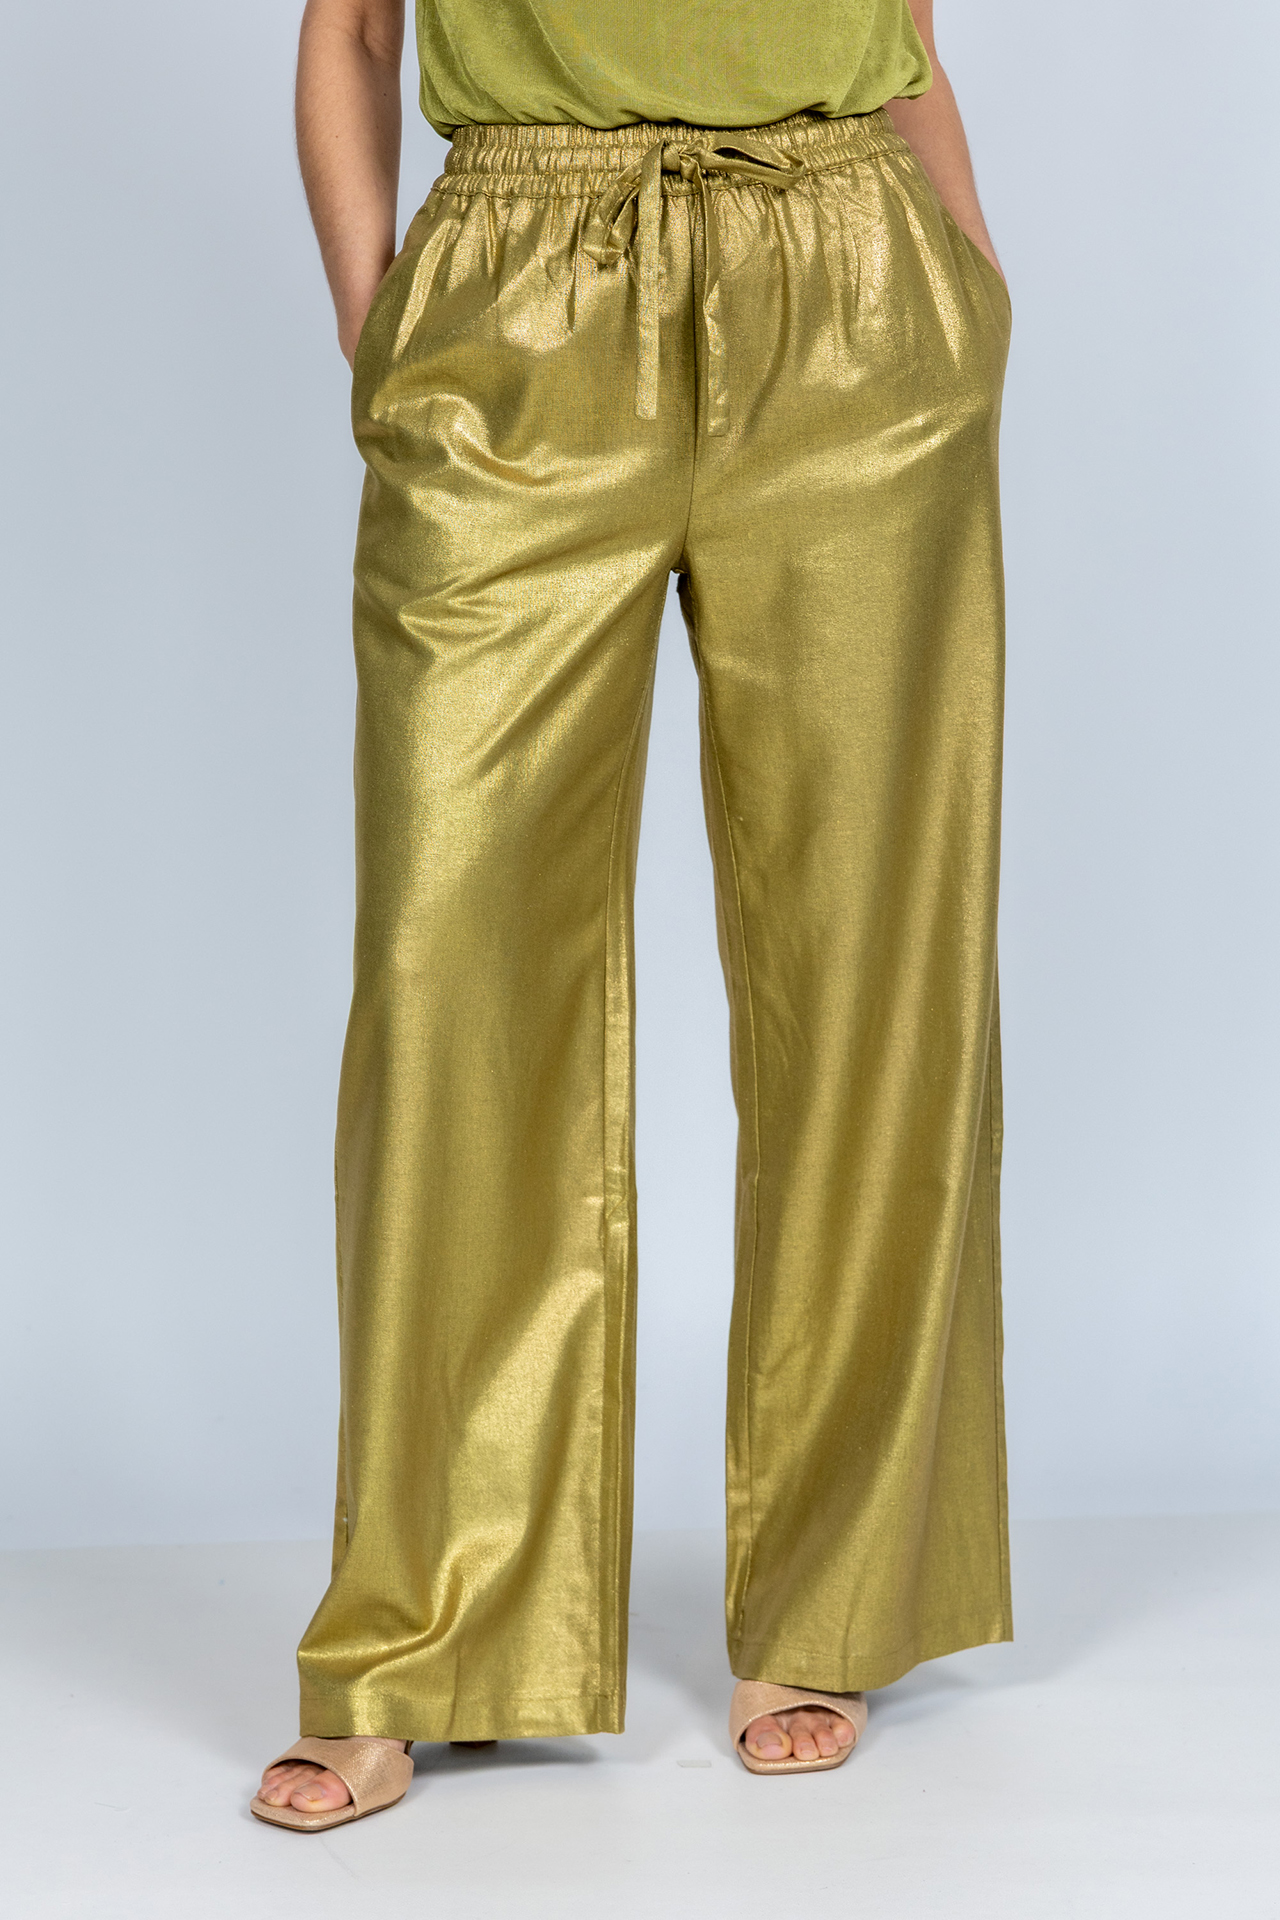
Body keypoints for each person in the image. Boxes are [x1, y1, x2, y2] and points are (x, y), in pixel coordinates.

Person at [253, 0, 1012, 1830]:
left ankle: (836, 1599)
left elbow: (904, 25)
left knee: (872, 960)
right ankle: (425, 1633)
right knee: (450, 971)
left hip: (852, 286)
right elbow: (351, 30)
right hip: (516, 296)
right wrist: (379, 325)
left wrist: (969, 287)